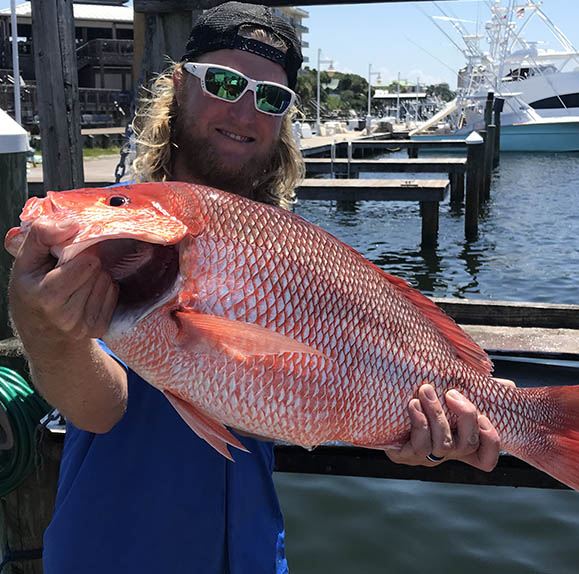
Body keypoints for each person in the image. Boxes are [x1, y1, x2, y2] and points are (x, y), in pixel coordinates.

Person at [7, 3, 503, 572]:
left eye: (272, 98)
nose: (246, 110)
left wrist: (408, 432)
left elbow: (309, 395)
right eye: (224, 82)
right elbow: (100, 408)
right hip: (114, 551)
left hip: (252, 554)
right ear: (178, 86)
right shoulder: (121, 228)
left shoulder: (294, 250)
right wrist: (47, 329)